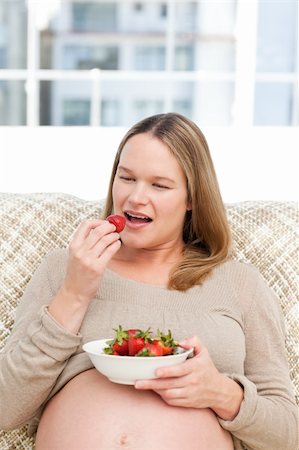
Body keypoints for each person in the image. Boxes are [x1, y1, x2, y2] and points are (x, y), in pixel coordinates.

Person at [0, 113, 297, 450]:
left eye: (159, 185)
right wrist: (75, 294)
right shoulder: (65, 268)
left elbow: (289, 435)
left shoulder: (240, 284)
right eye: (126, 178)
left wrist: (223, 393)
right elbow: (6, 408)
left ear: (192, 198)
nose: (135, 198)